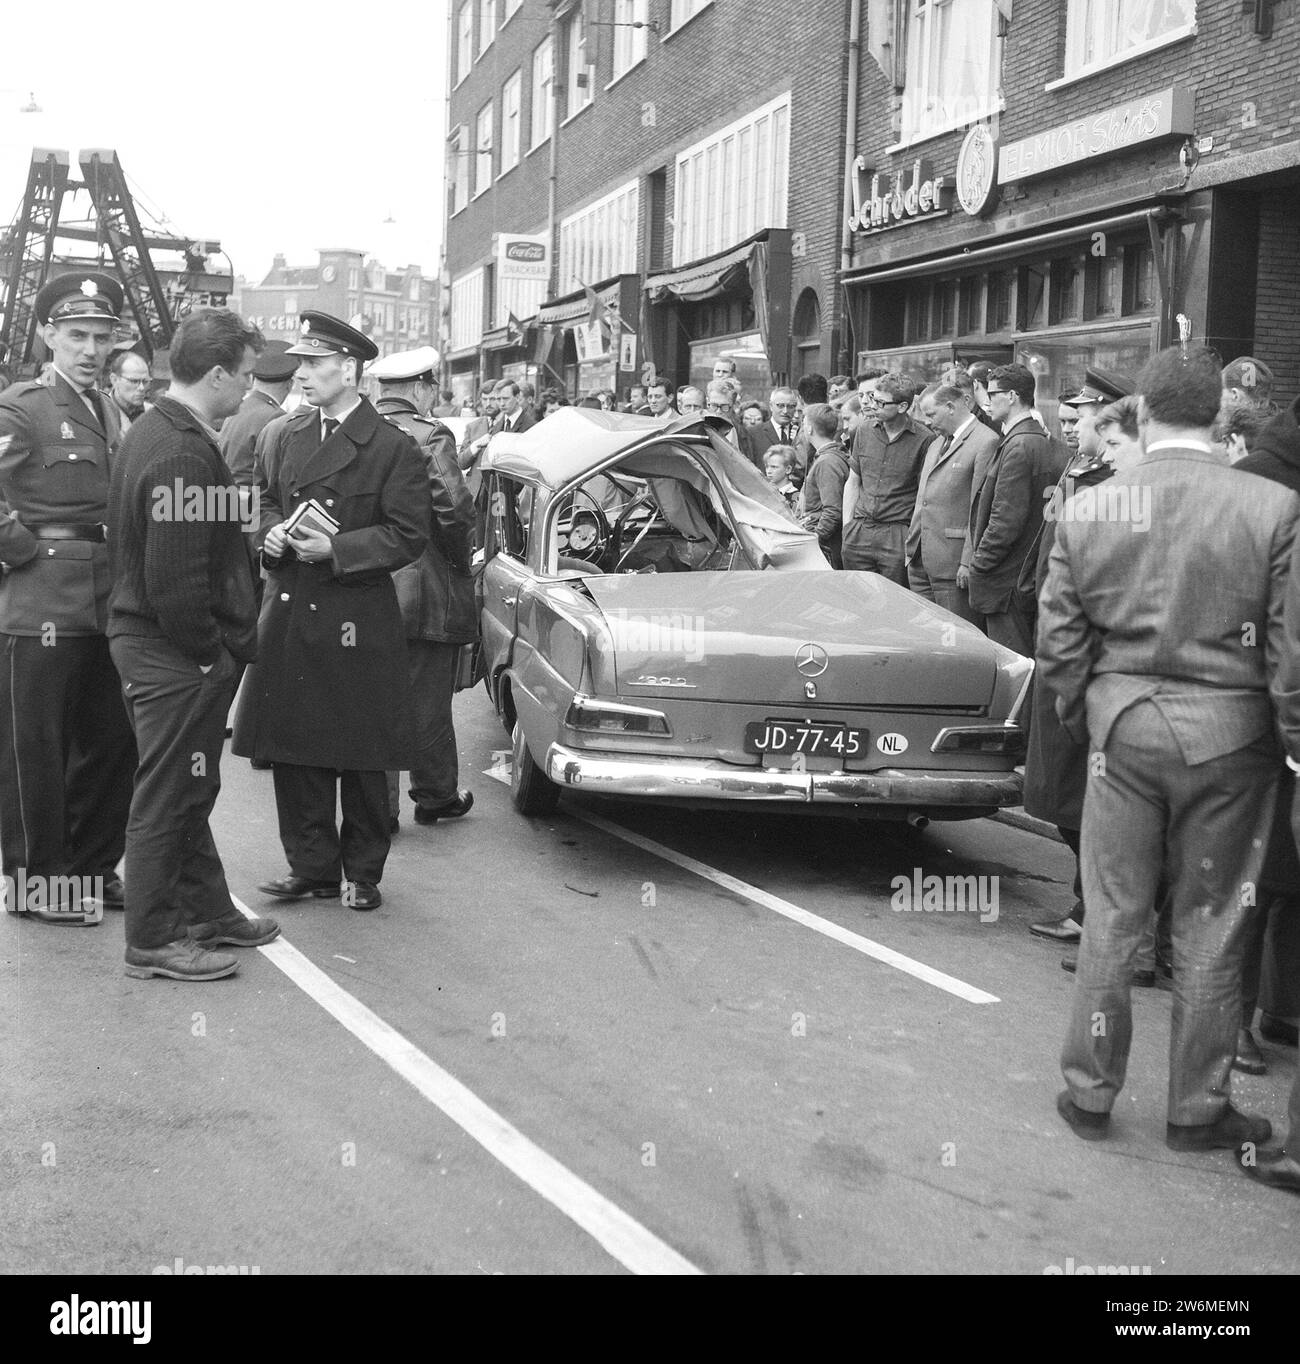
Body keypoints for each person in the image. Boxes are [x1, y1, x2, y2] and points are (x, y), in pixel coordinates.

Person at [1041, 344, 1298, 1153]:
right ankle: (1196, 1106)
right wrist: (1290, 739)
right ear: (1219, 416)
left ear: (1142, 414)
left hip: (1123, 730)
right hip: (1233, 740)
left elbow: (1059, 639)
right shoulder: (1269, 508)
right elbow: (1290, 650)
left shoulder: (1090, 508)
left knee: (1113, 915)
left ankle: (1089, 1091)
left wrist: (1092, 713)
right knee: (1215, 921)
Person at [232, 313, 432, 912]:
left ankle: (362, 871)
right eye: (301, 364)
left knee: (363, 752)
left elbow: (408, 534)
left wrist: (339, 549)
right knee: (295, 747)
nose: (303, 374)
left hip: (356, 615)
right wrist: (267, 536)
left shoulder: (392, 446)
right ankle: (312, 866)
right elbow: (263, 498)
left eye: (316, 364)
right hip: (293, 607)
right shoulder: (289, 434)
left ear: (349, 369)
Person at [107, 309, 278, 980]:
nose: (246, 387)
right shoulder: (180, 448)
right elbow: (175, 581)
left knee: (188, 788)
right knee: (168, 796)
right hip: (174, 652)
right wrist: (210, 652)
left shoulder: (159, 429)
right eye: (242, 374)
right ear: (214, 374)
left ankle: (207, 909)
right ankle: (152, 939)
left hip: (157, 646)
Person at [0, 272, 137, 922]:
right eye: (77, 335)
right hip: (41, 603)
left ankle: (89, 868)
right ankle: (35, 883)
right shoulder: (23, 405)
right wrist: (17, 546)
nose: (89, 348)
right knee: (38, 749)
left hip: (107, 600)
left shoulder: (112, 410)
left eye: (100, 337)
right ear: (49, 334)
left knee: (112, 741)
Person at [1024, 368, 1133, 947]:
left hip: (1081, 658)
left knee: (1081, 790)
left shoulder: (1115, 486)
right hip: (1057, 645)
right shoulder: (1080, 472)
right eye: (1066, 418)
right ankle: (1093, 903)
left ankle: (1097, 910)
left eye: (1081, 419)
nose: (1070, 428)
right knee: (1061, 789)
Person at [369, 346, 476, 832]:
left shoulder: (355, 431)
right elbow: (454, 508)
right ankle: (435, 795)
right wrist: (457, 561)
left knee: (375, 699)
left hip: (365, 583)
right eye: (432, 388)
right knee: (427, 699)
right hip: (422, 585)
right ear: (419, 389)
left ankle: (380, 809)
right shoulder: (429, 434)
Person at [967, 363, 1067, 655]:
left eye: (992, 393)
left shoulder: (1020, 444)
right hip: (1019, 577)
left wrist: (980, 564)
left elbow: (1005, 520)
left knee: (1014, 667)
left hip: (1006, 582)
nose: (986, 400)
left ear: (1011, 396)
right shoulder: (1034, 439)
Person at [906, 381, 997, 624]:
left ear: (950, 407)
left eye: (930, 414)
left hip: (953, 564)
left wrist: (968, 561)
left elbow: (980, 509)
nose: (926, 421)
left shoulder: (985, 441)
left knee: (953, 639)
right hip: (920, 559)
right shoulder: (937, 443)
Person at [840, 372, 930, 585]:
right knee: (855, 599)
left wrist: (910, 538)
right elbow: (853, 480)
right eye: (872, 399)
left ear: (902, 407)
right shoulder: (863, 430)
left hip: (897, 532)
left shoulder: (925, 439)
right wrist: (848, 526)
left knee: (893, 603)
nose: (873, 406)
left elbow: (924, 495)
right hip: (859, 530)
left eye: (880, 402)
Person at [218, 345, 298, 489]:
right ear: (290, 385)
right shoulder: (276, 417)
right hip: (253, 503)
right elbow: (276, 478)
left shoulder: (238, 409)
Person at [799, 403, 849, 568]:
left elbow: (833, 511)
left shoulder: (827, 462)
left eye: (804, 423)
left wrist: (815, 540)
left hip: (827, 548)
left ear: (810, 429)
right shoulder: (830, 457)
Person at [107, 349, 151, 436]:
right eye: (134, 381)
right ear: (114, 380)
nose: (142, 388)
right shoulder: (99, 416)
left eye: (145, 381)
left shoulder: (153, 414)